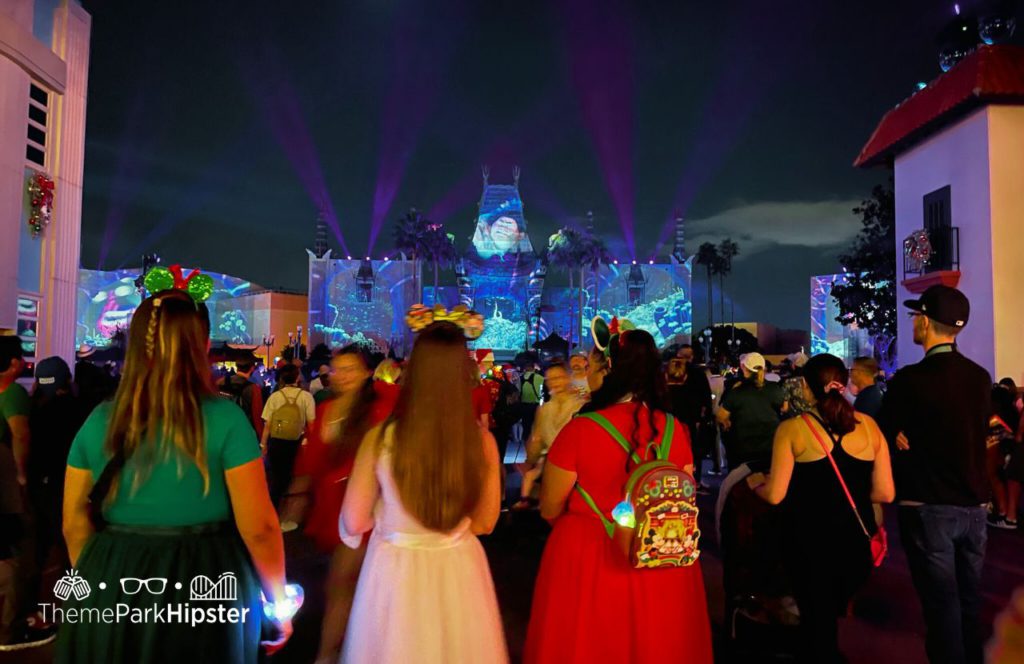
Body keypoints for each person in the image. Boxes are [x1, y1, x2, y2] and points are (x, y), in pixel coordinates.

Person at [59, 290, 289, 662]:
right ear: (199, 346)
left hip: (113, 574)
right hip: (204, 576)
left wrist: (105, 580)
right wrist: (278, 602)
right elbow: (259, 527)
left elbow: (73, 523)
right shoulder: (226, 420)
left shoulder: (99, 420)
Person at [524, 329, 713, 664]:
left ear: (609, 369)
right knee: (659, 644)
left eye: (593, 367)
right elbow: (685, 493)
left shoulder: (580, 429)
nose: (588, 375)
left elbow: (550, 505)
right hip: (661, 556)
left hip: (592, 557)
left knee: (590, 645)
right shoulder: (673, 428)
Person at [340, 322, 506, 663]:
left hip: (394, 568)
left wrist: (389, 517)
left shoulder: (380, 438)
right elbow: (486, 522)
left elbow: (353, 520)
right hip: (458, 566)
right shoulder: (482, 442)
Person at [751, 354, 895, 663]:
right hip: (857, 545)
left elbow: (776, 495)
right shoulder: (869, 427)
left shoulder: (792, 430)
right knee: (826, 618)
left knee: (817, 619)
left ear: (805, 387)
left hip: (808, 544)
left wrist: (755, 486)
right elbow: (885, 491)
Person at [877, 285, 991, 664]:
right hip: (974, 505)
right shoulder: (979, 377)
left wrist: (898, 435)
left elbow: (885, 430)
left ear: (925, 322)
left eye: (915, 316)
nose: (913, 322)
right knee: (970, 601)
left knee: (941, 604)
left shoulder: (909, 380)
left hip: (928, 505)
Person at [287, 346, 397, 663]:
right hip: (327, 508)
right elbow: (309, 463)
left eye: (351, 369)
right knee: (343, 587)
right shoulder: (325, 409)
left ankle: (329, 654)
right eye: (337, 369)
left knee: (341, 585)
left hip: (363, 510)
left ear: (366, 373)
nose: (342, 376)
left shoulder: (381, 407)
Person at [18, 358, 88, 644]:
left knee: (35, 552)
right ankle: (77, 612)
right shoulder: (75, 410)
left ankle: (28, 613)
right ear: (66, 380)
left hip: (35, 487)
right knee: (72, 548)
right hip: (64, 486)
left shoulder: (31, 409)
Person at [513, 362, 581, 509]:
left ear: (568, 378)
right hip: (551, 466)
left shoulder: (581, 406)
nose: (555, 382)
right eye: (550, 379)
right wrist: (532, 454)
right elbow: (536, 442)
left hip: (575, 470)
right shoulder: (544, 410)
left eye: (559, 377)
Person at [0, 336, 30, 650]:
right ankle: (10, 628)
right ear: (12, 364)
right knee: (14, 555)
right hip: (6, 482)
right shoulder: (14, 394)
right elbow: (20, 434)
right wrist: (22, 476)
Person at [717, 352, 788, 468]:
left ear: (744, 367)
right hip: (770, 446)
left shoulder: (736, 391)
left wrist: (726, 423)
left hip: (742, 447)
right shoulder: (774, 388)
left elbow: (721, 416)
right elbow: (784, 408)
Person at [260, 363, 316, 508]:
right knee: (291, 476)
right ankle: (287, 510)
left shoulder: (275, 396)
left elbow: (267, 424)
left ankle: (274, 508)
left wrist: (263, 444)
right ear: (297, 378)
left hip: (276, 442)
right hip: (296, 441)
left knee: (276, 476)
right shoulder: (306, 397)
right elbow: (311, 423)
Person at [667, 349, 713, 490]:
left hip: (668, 421)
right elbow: (706, 398)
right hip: (691, 420)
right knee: (692, 451)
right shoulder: (698, 374)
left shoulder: (664, 380)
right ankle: (693, 480)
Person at [219, 354, 264, 438]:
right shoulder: (253, 388)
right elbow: (257, 417)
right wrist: (262, 440)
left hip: (222, 428)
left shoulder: (221, 382)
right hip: (243, 431)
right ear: (252, 368)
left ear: (236, 367)